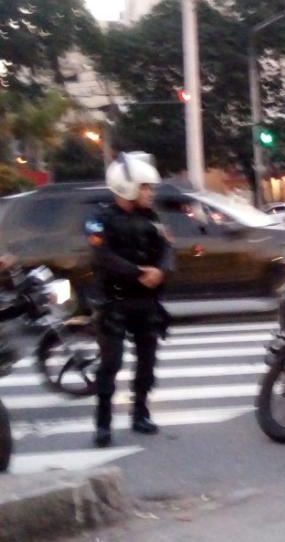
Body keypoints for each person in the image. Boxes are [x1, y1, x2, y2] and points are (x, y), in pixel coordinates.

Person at [86, 152, 173, 448]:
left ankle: (140, 414)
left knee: (147, 362)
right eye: (145, 187)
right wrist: (138, 273)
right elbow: (102, 256)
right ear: (127, 187)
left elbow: (167, 249)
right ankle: (103, 424)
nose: (150, 193)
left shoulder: (152, 218)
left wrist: (161, 271)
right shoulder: (100, 219)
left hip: (146, 302)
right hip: (114, 302)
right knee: (111, 363)